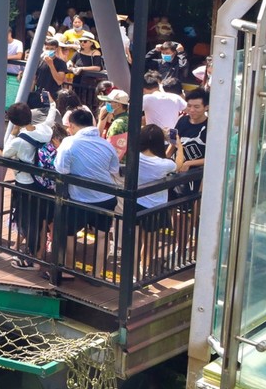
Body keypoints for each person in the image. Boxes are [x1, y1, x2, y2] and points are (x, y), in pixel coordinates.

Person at [54, 106, 121, 278]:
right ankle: (97, 274)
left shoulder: (69, 142)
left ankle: (68, 270)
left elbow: (61, 168)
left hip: (79, 198)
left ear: (73, 126)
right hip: (106, 197)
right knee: (102, 236)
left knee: (69, 233)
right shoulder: (106, 144)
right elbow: (114, 169)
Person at [0, 102, 53, 268]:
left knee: (28, 221)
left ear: (13, 121)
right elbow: (49, 120)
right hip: (44, 184)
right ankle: (39, 254)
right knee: (42, 220)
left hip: (26, 184)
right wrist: (53, 105)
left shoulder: (18, 141)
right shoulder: (44, 130)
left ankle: (31, 257)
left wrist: (11, 136)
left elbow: (6, 154)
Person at [132, 124, 181, 276]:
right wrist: (178, 145)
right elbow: (178, 164)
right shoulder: (163, 164)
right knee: (150, 240)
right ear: (160, 142)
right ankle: (143, 267)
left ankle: (132, 271)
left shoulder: (134, 156)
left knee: (134, 239)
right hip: (155, 206)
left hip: (135, 202)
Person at [173, 89, 209, 193]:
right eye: (189, 106)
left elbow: (213, 159)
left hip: (197, 174)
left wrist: (189, 163)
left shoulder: (210, 127)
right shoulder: (182, 120)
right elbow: (174, 141)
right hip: (177, 169)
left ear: (206, 107)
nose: (191, 110)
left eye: (196, 107)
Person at [98, 87, 131, 159]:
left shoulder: (117, 124)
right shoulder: (129, 119)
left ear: (119, 105)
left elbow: (111, 149)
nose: (107, 104)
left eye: (110, 102)